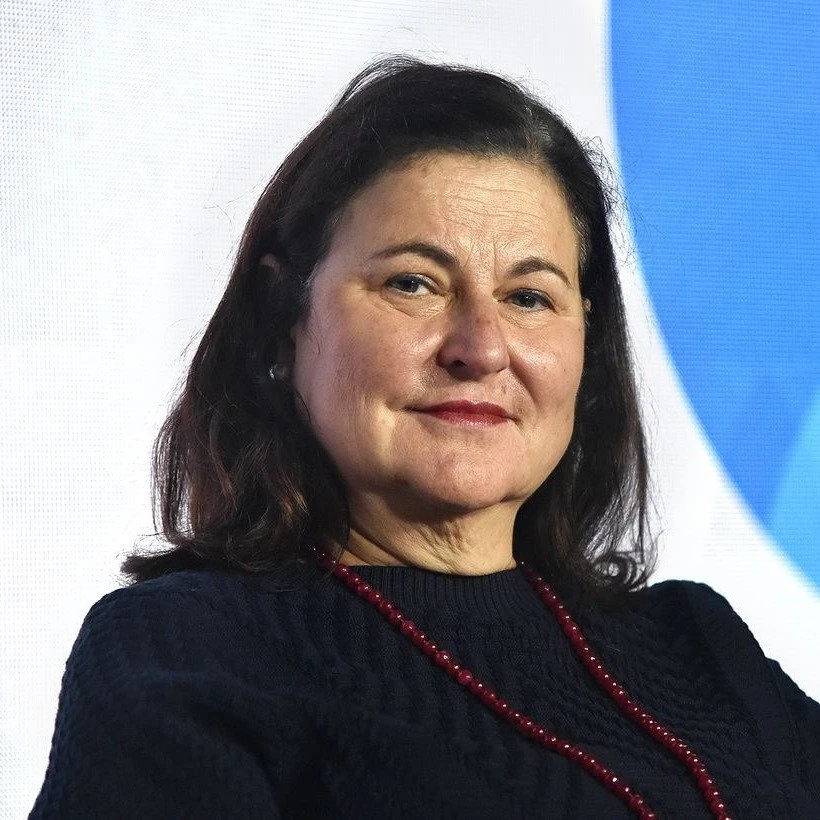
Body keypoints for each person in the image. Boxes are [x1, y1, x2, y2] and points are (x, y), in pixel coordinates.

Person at [30, 57, 819, 819]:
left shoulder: (700, 646)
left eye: (529, 297)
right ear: (281, 322)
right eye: (413, 283)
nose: (481, 347)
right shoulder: (184, 652)